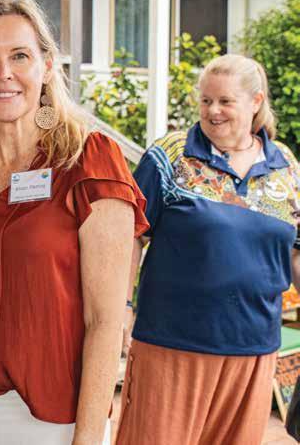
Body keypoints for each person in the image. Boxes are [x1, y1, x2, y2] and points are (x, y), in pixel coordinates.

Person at [0, 0, 148, 445]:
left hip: (55, 419)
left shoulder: (89, 160)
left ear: (47, 66)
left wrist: (87, 437)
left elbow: (105, 321)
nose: (3, 73)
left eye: (19, 56)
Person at [116, 54, 300, 445]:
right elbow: (130, 233)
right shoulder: (170, 155)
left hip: (254, 348)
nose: (212, 111)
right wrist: (122, 307)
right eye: (205, 101)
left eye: (225, 101)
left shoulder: (285, 166)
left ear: (255, 102)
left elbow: (296, 251)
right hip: (172, 343)